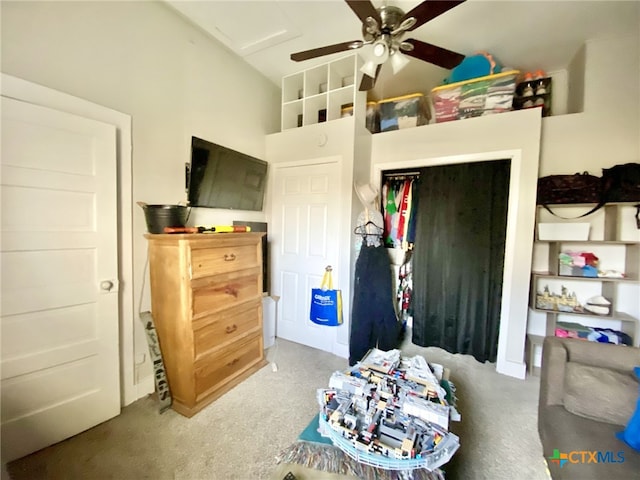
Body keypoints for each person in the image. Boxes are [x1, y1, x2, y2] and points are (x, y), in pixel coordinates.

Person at [349, 182, 401, 365]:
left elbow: (358, 244)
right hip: (381, 261)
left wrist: (357, 265)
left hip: (367, 262)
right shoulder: (379, 215)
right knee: (383, 303)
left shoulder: (362, 216)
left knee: (363, 307)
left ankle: (361, 353)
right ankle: (384, 350)